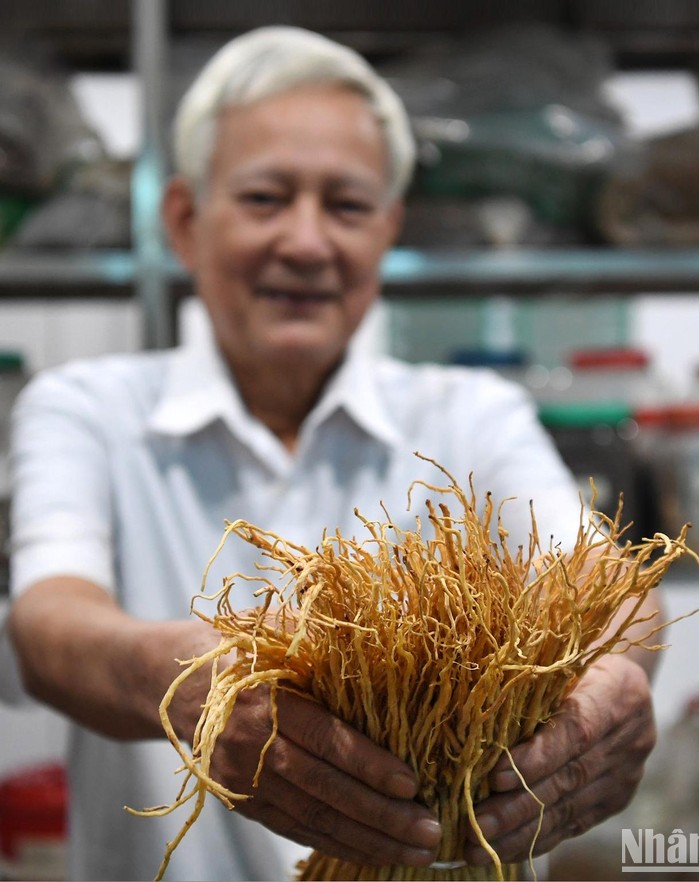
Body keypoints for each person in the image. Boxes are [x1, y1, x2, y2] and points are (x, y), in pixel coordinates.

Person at [2, 26, 660, 882]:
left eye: (346, 206)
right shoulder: (86, 407)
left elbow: (604, 588)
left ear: (388, 231)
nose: (308, 243)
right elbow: (49, 620)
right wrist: (193, 687)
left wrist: (612, 688)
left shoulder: (471, 414)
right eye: (266, 198)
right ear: (185, 223)